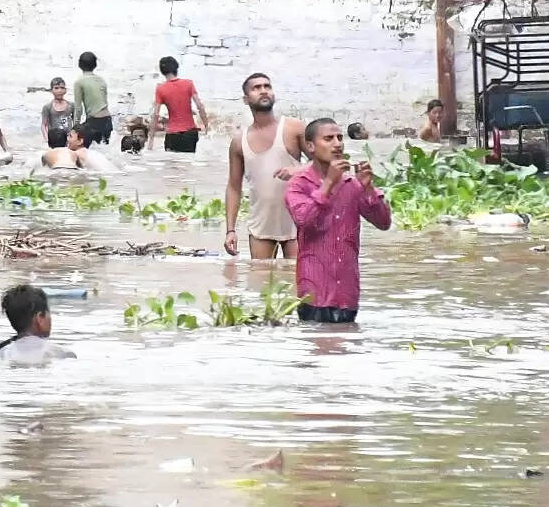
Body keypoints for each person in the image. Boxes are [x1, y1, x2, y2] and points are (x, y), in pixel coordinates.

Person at [285, 118, 392, 323]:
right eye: (328, 138)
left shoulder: (352, 184)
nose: (337, 144)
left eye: (340, 138)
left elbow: (383, 222)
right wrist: (328, 184)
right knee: (318, 348)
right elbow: (303, 218)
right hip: (314, 294)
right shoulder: (298, 185)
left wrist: (368, 188)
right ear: (310, 146)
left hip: (347, 294)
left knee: (347, 350)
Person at [225, 73, 305, 259]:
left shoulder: (294, 128)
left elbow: (324, 164)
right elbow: (234, 187)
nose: (263, 91)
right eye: (256, 88)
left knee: (299, 282)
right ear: (246, 99)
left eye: (267, 86)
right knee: (259, 281)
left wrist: (298, 169)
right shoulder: (239, 142)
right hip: (261, 225)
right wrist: (230, 230)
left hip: (297, 222)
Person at [146, 56, 210, 153]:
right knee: (187, 164)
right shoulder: (188, 84)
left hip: (172, 134)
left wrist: (151, 140)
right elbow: (200, 106)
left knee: (171, 165)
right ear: (176, 68)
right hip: (190, 133)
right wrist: (206, 126)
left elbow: (155, 115)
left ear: (162, 71)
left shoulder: (161, 89)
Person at [74, 51, 113, 145]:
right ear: (95, 65)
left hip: (94, 121)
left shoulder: (79, 82)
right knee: (104, 150)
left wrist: (75, 127)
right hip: (107, 120)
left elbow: (78, 108)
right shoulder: (101, 80)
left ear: (79, 64)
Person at [41, 127, 116, 172]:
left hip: (104, 174)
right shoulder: (93, 153)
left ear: (80, 141)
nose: (67, 139)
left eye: (70, 136)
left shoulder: (78, 154)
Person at [41, 77, 77, 149]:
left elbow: (75, 123)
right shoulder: (48, 107)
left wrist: (74, 138)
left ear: (65, 90)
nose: (59, 90)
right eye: (56, 88)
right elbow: (43, 125)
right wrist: (47, 139)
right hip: (54, 140)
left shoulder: (71, 105)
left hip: (68, 139)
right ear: (51, 90)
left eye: (62, 88)